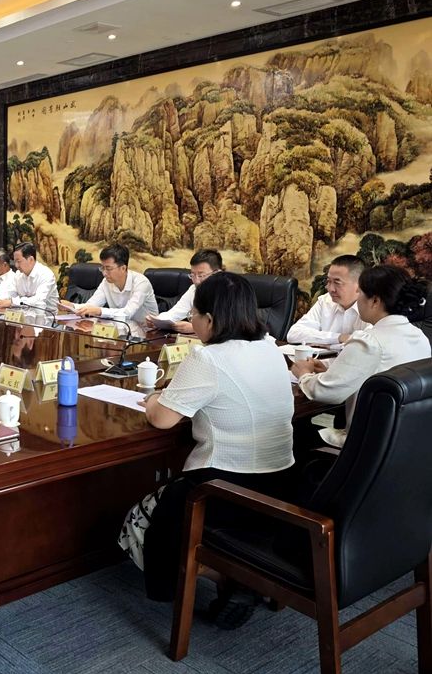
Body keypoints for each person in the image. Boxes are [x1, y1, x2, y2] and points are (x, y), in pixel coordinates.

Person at [121, 272, 295, 625]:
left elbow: (162, 419)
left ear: (210, 320)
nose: (193, 321)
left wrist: (153, 397)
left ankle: (230, 577)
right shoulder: (271, 348)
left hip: (221, 491)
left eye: (194, 315)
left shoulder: (208, 358)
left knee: (137, 520)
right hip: (280, 483)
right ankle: (241, 575)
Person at [291, 264, 431, 447]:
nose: (358, 300)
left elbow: (325, 392)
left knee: (291, 433)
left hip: (366, 445)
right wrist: (329, 371)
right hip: (405, 441)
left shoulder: (369, 342)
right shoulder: (419, 336)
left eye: (360, 294)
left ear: (375, 301)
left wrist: (303, 373)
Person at [286, 255, 370, 346]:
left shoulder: (373, 307)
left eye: (337, 283)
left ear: (359, 285)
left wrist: (326, 343)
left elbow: (367, 343)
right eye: (329, 281)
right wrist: (339, 338)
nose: (330, 289)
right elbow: (293, 334)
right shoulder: (325, 301)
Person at [61, 244, 156, 321]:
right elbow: (92, 305)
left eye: (108, 268)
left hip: (148, 333)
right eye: (102, 268)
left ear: (123, 268)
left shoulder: (141, 283)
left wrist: (100, 311)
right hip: (121, 330)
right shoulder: (106, 282)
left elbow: (127, 313)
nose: (104, 273)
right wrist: (72, 306)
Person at [145, 249, 223, 334]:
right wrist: (156, 321)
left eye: (201, 275)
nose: (196, 281)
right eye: (192, 275)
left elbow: (230, 327)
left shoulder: (229, 293)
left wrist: (195, 328)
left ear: (217, 273)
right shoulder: (193, 289)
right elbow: (175, 313)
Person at [0, 242, 58, 312]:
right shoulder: (18, 275)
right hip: (23, 315)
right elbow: (10, 293)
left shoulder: (46, 274)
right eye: (15, 262)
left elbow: (39, 301)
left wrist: (12, 302)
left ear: (31, 259)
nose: (16, 265)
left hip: (47, 316)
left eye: (19, 261)